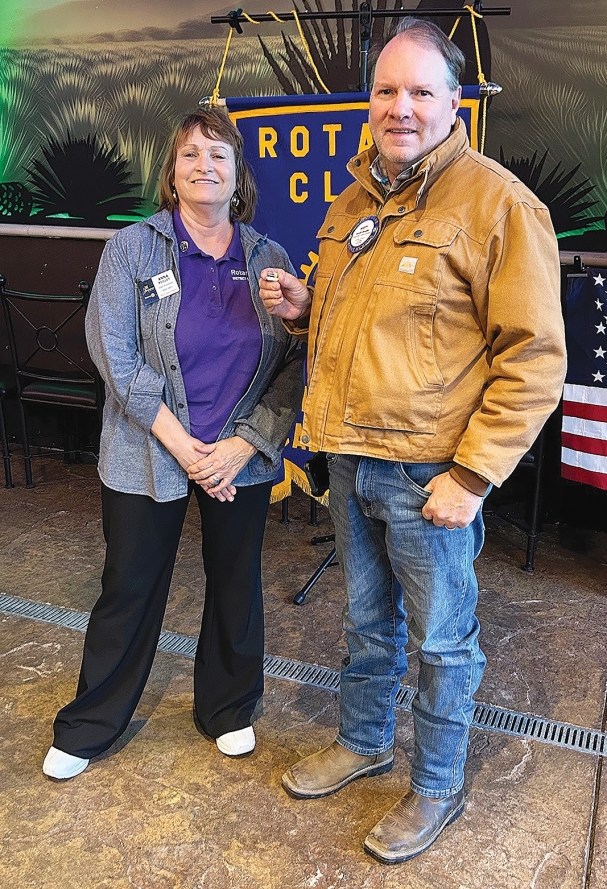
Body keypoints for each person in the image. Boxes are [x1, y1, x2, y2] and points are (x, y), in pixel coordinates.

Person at [259, 18, 567, 864]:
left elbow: (535, 358)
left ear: (453, 102)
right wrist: (305, 310)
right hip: (348, 455)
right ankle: (365, 742)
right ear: (370, 102)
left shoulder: (498, 202)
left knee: (441, 640)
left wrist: (472, 476)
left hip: (431, 472)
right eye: (387, 91)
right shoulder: (354, 199)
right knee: (365, 621)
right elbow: (370, 325)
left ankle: (436, 781)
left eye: (420, 91)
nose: (401, 107)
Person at [43, 107, 304, 780]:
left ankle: (228, 708)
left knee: (236, 584)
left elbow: (297, 365)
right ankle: (91, 722)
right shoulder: (131, 249)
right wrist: (185, 446)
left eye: (218, 155)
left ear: (238, 174)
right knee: (128, 585)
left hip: (238, 456)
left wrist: (243, 446)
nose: (204, 166)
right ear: (172, 173)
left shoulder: (269, 259)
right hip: (150, 448)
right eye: (190, 155)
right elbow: (116, 357)